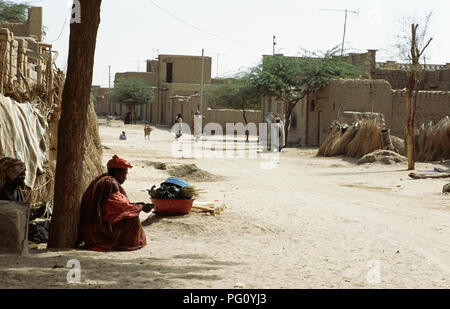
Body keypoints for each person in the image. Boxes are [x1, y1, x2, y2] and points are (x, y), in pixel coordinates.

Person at [78, 155, 153, 252]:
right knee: (132, 217)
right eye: (125, 174)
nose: (125, 178)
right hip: (99, 227)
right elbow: (121, 207)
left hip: (91, 223)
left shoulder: (102, 179)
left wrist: (138, 204)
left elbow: (116, 203)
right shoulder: (111, 183)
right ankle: (124, 244)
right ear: (118, 172)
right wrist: (140, 207)